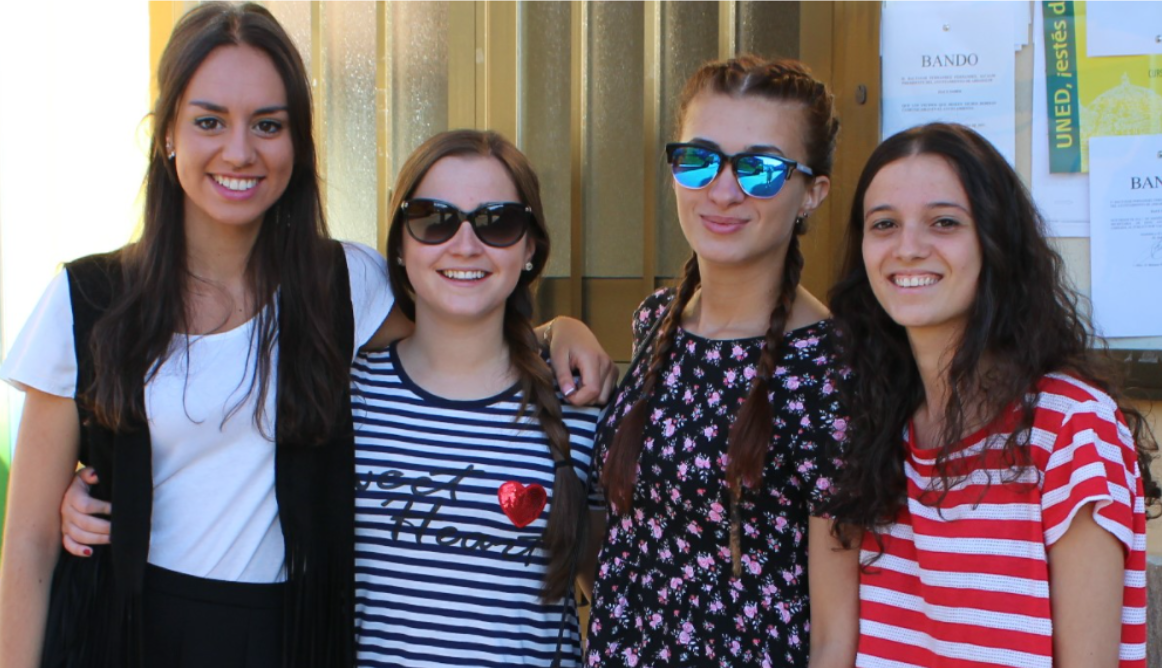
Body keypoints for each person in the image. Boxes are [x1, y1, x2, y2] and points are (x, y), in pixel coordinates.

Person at [0, 5, 612, 668]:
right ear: (167, 132)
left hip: (288, 638)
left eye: (268, 124)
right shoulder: (87, 299)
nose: (240, 151)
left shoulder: (343, 285)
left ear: (297, 143)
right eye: (209, 121)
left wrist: (555, 331)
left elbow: (460, 333)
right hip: (123, 634)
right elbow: (27, 546)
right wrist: (82, 492)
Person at [827, 122, 1160, 668]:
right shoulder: (870, 423)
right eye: (884, 224)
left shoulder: (1071, 428)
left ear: (995, 239)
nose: (908, 248)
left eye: (944, 222)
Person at [585, 56, 858, 668]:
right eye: (699, 160)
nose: (724, 191)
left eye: (761, 170)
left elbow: (835, 635)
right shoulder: (657, 321)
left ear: (813, 192)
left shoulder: (833, 368)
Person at [351, 129, 600, 666]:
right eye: (433, 219)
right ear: (400, 243)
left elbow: (616, 597)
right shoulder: (346, 396)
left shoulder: (581, 405)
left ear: (530, 247)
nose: (465, 245)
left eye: (497, 222)